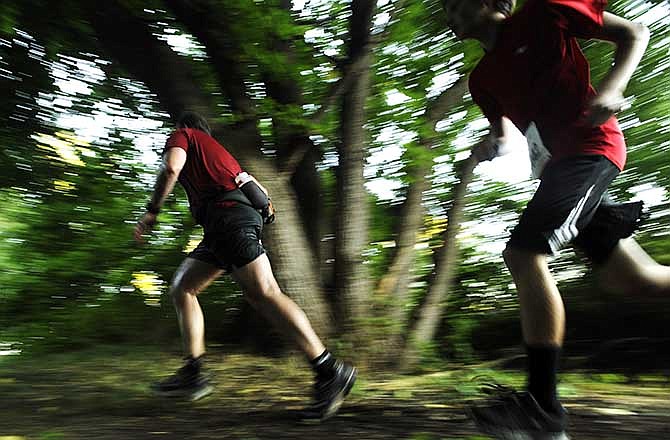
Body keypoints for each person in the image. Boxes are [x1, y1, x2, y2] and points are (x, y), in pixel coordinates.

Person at [440, 0, 669, 438]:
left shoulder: (543, 14)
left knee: (523, 255)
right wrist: (490, 147)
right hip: (559, 168)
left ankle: (542, 409)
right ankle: (541, 411)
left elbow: (634, 32)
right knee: (637, 281)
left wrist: (612, 88)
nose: (449, 14)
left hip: (592, 150)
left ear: (490, 3)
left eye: (455, 3)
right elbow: (505, 135)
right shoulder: (482, 79)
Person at [133, 111, 356, 420]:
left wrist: (152, 211)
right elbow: (262, 197)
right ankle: (194, 372)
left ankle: (330, 371)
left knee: (264, 292)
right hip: (222, 225)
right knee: (184, 287)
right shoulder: (220, 156)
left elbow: (171, 167)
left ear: (185, 128)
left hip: (228, 218)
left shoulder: (185, 134)